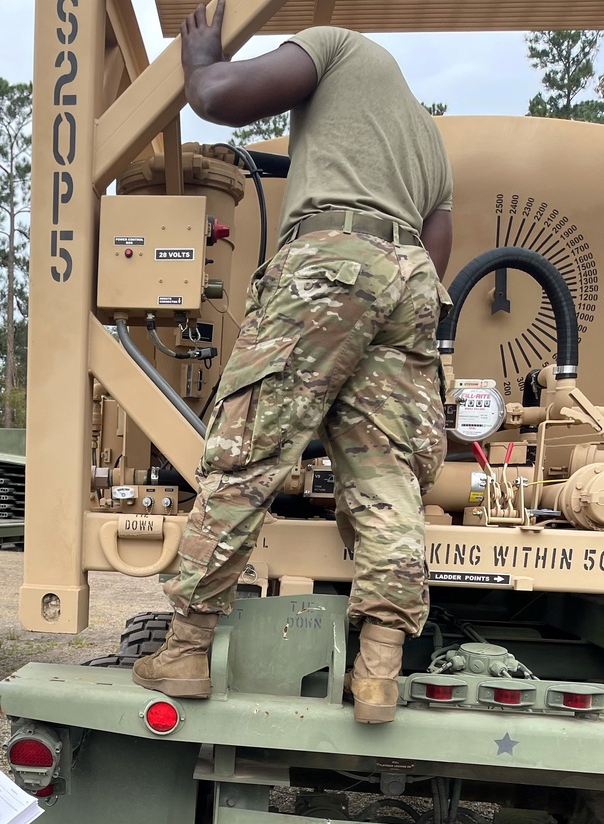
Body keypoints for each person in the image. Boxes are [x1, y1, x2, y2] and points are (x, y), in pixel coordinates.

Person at [133, 1, 453, 724]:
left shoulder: (335, 45)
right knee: (386, 470)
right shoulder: (429, 142)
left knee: (249, 446)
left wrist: (202, 57)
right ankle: (377, 670)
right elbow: (438, 256)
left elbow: (217, 99)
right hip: (409, 282)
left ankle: (184, 648)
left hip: (330, 260)